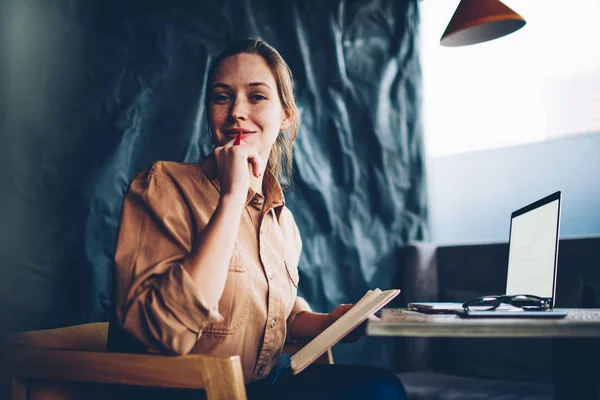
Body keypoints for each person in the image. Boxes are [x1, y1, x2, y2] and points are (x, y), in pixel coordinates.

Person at [113, 37, 406, 400]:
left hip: (255, 387)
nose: (236, 111)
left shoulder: (283, 223)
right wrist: (232, 198)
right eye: (222, 97)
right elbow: (165, 331)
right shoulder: (163, 186)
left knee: (380, 388)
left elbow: (275, 316)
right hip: (189, 391)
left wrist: (331, 323)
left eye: (257, 96)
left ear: (286, 114)